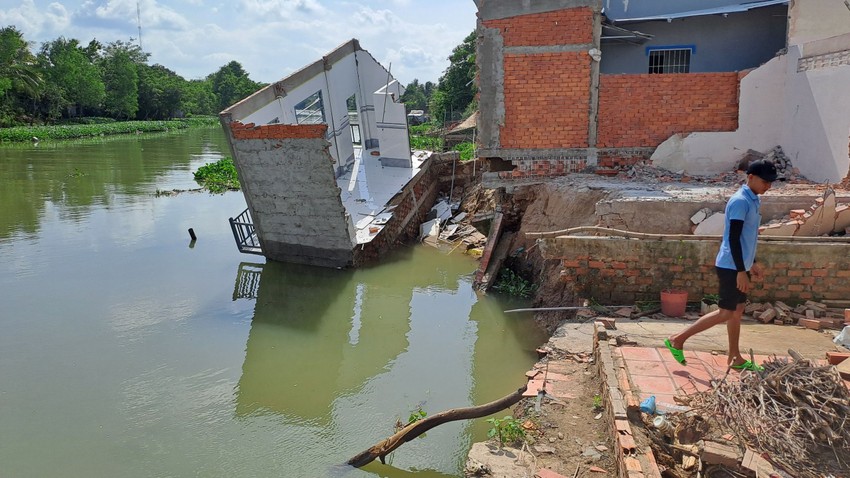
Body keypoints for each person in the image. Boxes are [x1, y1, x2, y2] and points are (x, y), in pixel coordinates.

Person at [664, 159, 779, 372]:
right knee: (726, 312)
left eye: (771, 182)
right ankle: (678, 339)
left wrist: (751, 263)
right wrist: (741, 271)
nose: (768, 186)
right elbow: (733, 238)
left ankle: (735, 356)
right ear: (751, 177)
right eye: (765, 181)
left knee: (737, 311)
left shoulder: (754, 199)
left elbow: (747, 237)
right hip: (731, 267)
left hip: (740, 265)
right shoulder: (740, 201)